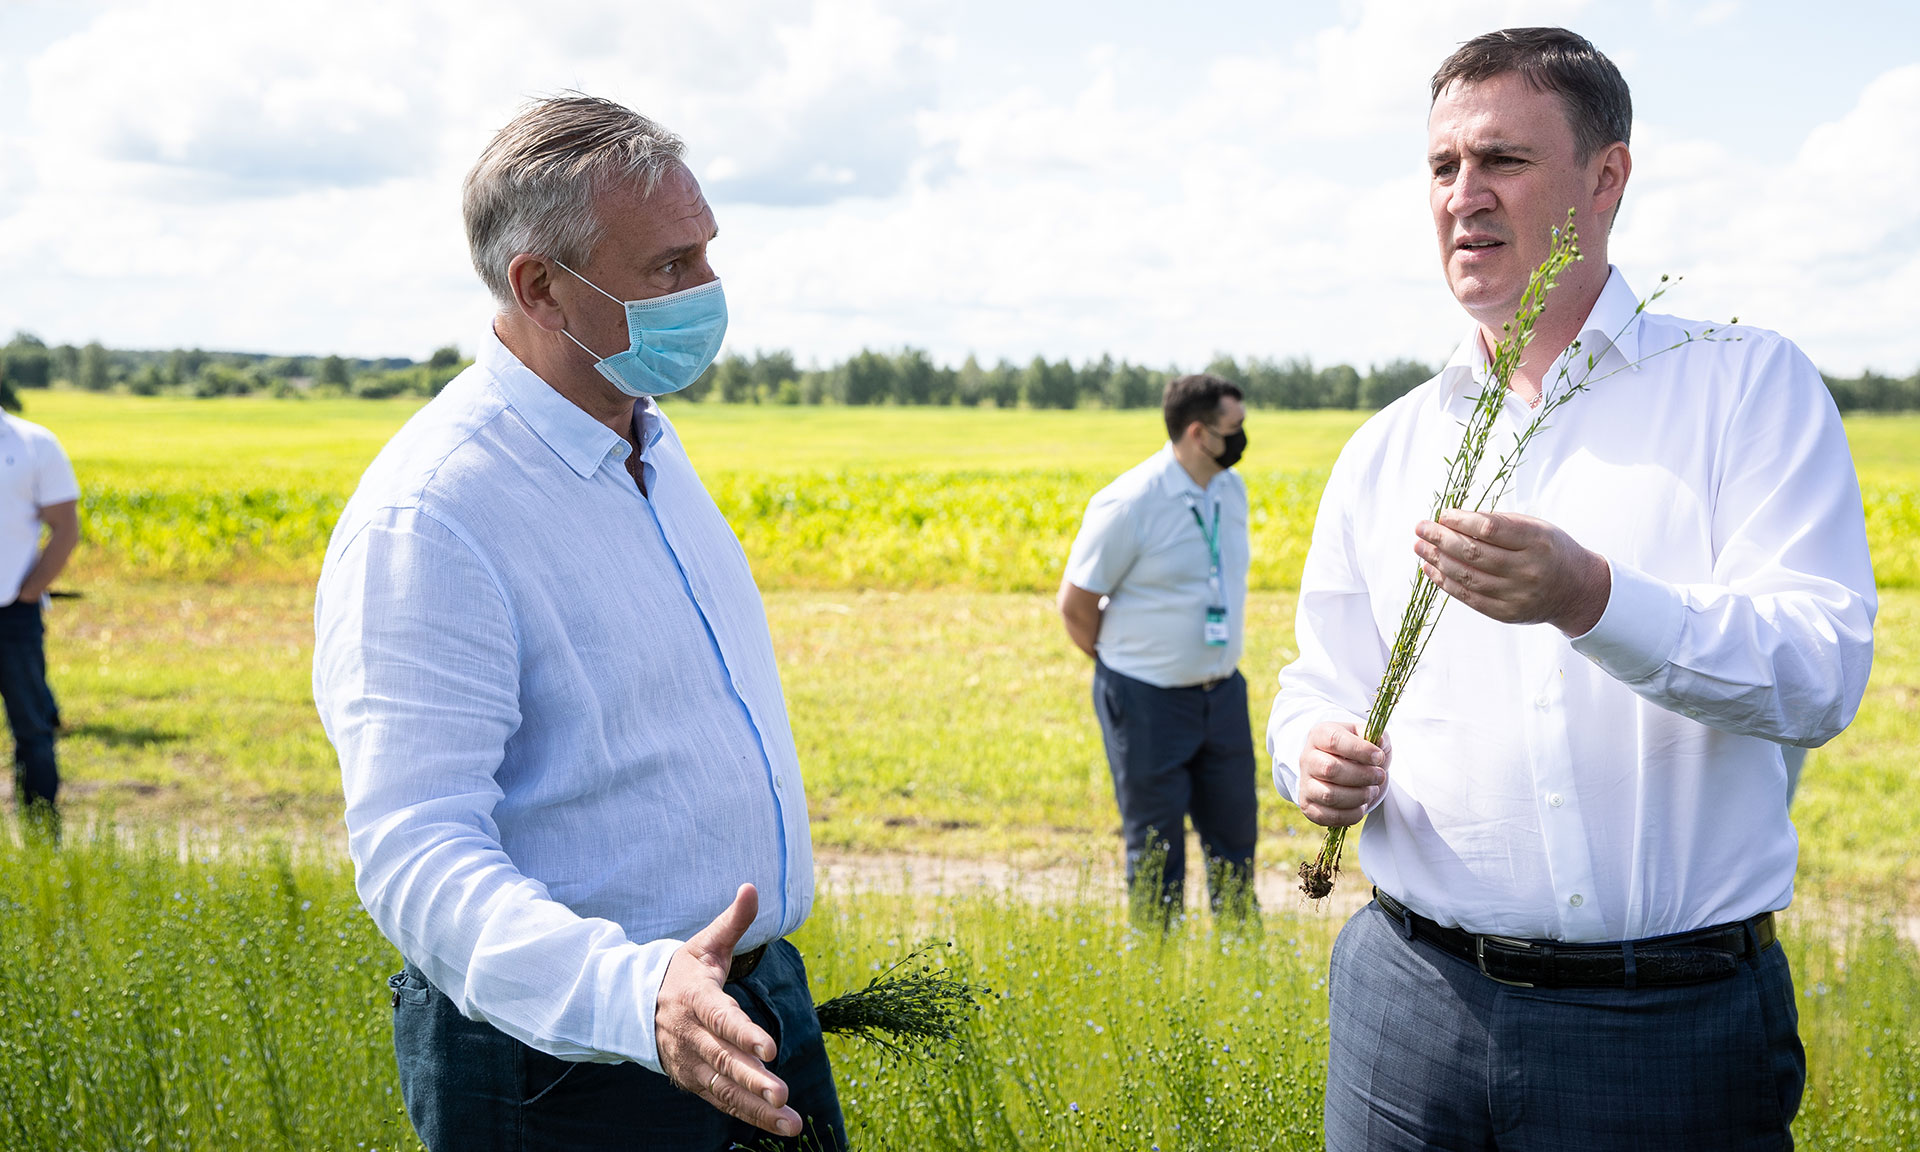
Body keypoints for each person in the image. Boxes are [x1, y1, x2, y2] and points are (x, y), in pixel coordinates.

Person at [1267, 27, 1876, 1151]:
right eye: (1442, 166)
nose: (1464, 194)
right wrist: (1311, 751)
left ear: (1607, 177)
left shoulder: (1748, 388)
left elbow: (1818, 672)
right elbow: (1318, 681)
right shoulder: (1385, 447)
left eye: (1502, 158)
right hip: (1408, 1005)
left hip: (1665, 1028)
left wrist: (1592, 598)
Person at [312, 95, 844, 1152]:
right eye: (669, 266)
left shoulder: (648, 445)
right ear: (539, 286)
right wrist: (635, 996)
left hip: (744, 1006)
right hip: (572, 1065)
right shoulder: (436, 513)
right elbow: (417, 851)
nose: (707, 290)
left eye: (707, 253)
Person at [1059, 373, 1257, 919]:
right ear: (1197, 433)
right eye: (1234, 429)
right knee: (1155, 852)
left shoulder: (1230, 490)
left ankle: (1241, 958)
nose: (1243, 439)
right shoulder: (1129, 503)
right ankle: (1156, 959)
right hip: (1146, 701)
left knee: (1236, 844)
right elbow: (1075, 606)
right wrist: (1128, 665)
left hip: (1222, 696)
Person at [0, 408, 79, 832]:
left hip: (12, 616)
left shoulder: (34, 443)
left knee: (32, 728)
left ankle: (40, 839)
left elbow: (65, 528)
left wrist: (28, 593)